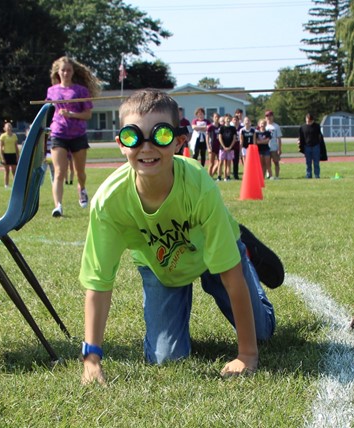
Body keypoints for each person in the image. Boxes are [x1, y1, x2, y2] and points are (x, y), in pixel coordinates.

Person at [79, 89, 280, 385]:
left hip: (213, 258)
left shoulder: (199, 185)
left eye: (159, 135)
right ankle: (228, 240)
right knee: (166, 358)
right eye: (134, 136)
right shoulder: (109, 202)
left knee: (262, 333)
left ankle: (240, 246)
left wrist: (247, 354)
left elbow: (230, 274)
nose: (146, 147)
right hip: (163, 269)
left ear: (178, 140)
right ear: (121, 143)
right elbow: (98, 282)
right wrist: (91, 358)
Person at [46, 56, 100, 217]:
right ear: (58, 72)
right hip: (58, 133)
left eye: (69, 70)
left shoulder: (81, 91)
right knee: (59, 171)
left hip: (78, 134)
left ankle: (81, 189)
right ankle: (58, 206)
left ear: (73, 71)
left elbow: (87, 115)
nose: (66, 73)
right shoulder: (52, 91)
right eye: (63, 70)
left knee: (79, 172)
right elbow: (48, 110)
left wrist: (71, 114)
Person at [298, 113, 324, 179]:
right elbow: (301, 137)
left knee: (316, 163)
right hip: (307, 147)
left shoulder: (317, 126)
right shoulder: (302, 127)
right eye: (306, 121)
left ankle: (317, 175)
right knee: (308, 163)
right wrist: (299, 143)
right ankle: (308, 175)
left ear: (312, 121)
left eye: (309, 121)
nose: (308, 123)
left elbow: (320, 136)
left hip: (316, 146)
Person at [0, 122, 19, 188]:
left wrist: (17, 156)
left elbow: (16, 147)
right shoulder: (3, 136)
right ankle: (6, 185)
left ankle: (15, 185)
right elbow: (1, 147)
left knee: (14, 171)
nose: (9, 128)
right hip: (6, 154)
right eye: (7, 127)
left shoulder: (14, 136)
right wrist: (2, 158)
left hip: (13, 154)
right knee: (6, 171)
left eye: (10, 127)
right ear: (4, 128)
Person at [217, 113, 237, 181]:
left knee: (228, 163)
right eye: (226, 118)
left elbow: (234, 138)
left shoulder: (233, 128)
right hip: (222, 148)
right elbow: (220, 137)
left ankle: (227, 176)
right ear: (224, 119)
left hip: (230, 148)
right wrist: (224, 146)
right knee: (221, 162)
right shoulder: (222, 128)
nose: (228, 119)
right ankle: (219, 176)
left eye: (229, 118)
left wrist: (230, 147)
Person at [265, 110, 282, 180]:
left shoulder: (276, 126)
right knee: (267, 163)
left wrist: (279, 148)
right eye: (267, 116)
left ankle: (277, 176)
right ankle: (269, 174)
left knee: (276, 162)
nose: (268, 117)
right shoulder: (264, 126)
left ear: (272, 116)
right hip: (265, 147)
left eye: (270, 116)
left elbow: (279, 138)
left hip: (274, 147)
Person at [206, 112, 221, 178]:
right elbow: (207, 137)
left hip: (219, 146)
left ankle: (211, 175)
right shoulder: (210, 127)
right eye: (215, 117)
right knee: (211, 163)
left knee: (220, 162)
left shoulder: (221, 126)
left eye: (218, 117)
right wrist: (208, 147)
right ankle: (208, 177)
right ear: (213, 118)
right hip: (212, 146)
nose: (217, 118)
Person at [232, 109, 244, 179]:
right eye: (234, 120)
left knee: (242, 160)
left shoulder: (241, 128)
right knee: (234, 161)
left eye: (236, 120)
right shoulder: (231, 127)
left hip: (241, 145)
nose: (235, 121)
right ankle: (234, 174)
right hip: (233, 145)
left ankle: (245, 174)